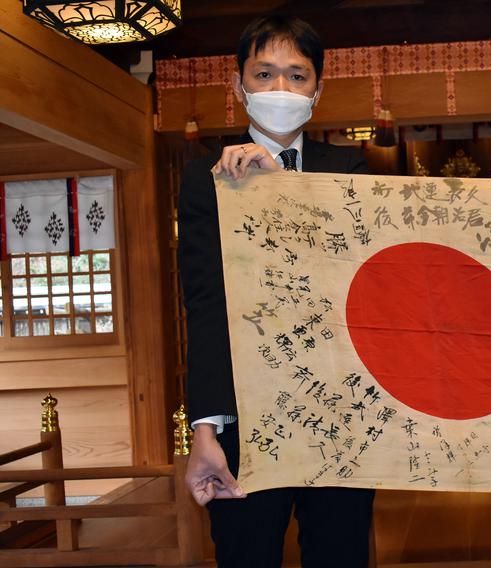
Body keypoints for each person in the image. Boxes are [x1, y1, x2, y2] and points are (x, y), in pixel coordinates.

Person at [177, 15, 374, 568]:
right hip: (245, 412)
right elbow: (205, 304)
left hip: (339, 413)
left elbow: (351, 274)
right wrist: (205, 427)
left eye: (297, 75)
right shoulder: (206, 179)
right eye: (264, 74)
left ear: (318, 90)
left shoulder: (350, 168)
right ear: (239, 86)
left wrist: (278, 188)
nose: (280, 89)